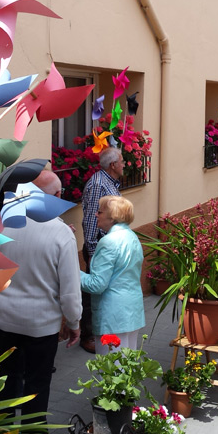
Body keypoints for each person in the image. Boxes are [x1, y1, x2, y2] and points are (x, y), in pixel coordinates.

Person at [0, 171, 82, 434]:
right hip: (40, 323)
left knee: (7, 377)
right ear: (55, 198)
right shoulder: (60, 233)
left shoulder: (5, 225)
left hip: (4, 316)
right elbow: (70, 289)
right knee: (37, 382)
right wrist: (74, 322)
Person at [80, 195, 145, 351]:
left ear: (112, 217)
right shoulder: (131, 236)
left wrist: (72, 272)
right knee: (127, 367)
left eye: (100, 212)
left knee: (111, 371)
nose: (96, 214)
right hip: (131, 311)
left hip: (113, 316)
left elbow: (96, 285)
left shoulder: (109, 241)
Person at [80, 147, 125, 353]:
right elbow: (91, 219)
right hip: (97, 248)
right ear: (113, 165)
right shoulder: (99, 184)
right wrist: (92, 252)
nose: (125, 164)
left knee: (104, 291)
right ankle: (87, 336)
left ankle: (102, 333)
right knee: (91, 292)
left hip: (107, 247)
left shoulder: (110, 182)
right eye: (122, 161)